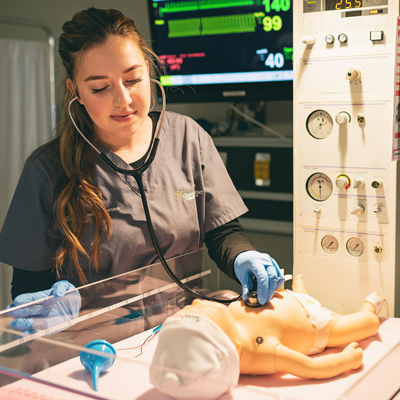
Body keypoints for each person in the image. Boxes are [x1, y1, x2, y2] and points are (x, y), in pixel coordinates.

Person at [0, 7, 284, 333]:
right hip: (90, 346)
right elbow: (26, 288)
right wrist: (45, 309)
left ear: (148, 70)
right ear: (75, 92)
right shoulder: (47, 171)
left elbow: (221, 231)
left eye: (133, 79)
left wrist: (242, 256)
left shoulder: (188, 137)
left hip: (183, 332)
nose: (123, 99)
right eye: (99, 88)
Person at [149, 275, 384, 400]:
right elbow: (312, 368)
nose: (197, 302)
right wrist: (347, 360)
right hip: (318, 325)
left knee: (296, 296)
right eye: (199, 310)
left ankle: (300, 290)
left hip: (290, 299)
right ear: (221, 341)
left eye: (190, 307)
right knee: (362, 325)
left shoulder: (228, 323)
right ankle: (369, 307)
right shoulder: (258, 350)